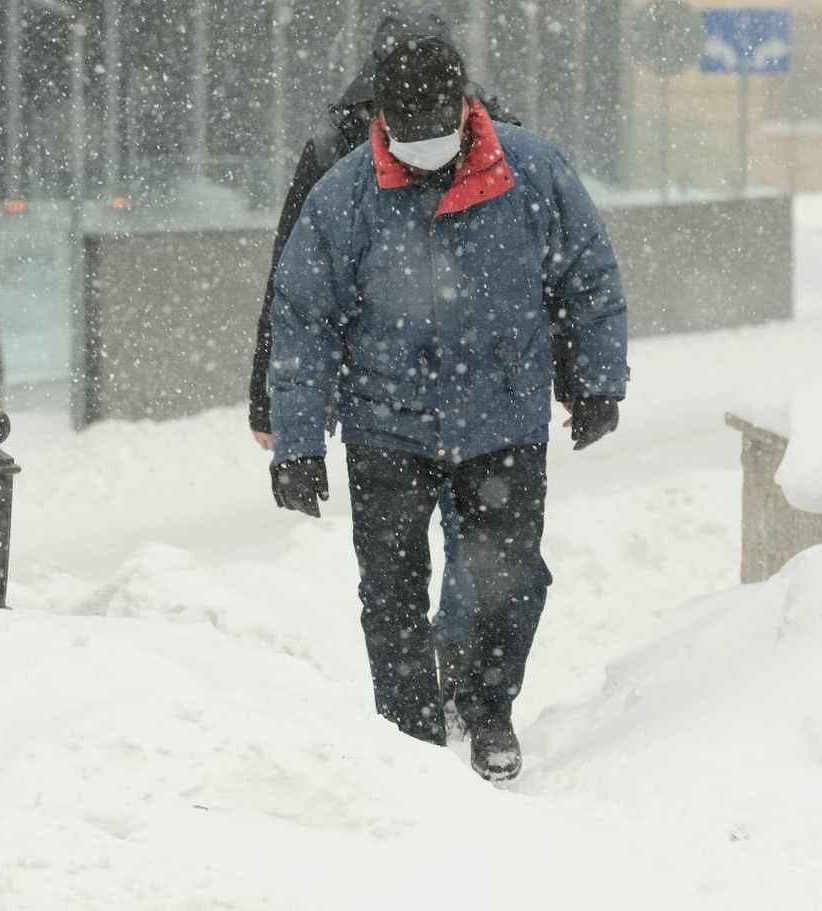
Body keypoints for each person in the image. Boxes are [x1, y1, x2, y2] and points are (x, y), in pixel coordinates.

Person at [267, 36, 628, 781]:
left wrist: (595, 381)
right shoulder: (345, 195)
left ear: (463, 107)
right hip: (385, 427)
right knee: (391, 591)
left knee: (512, 577)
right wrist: (296, 443)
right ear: (383, 116)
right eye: (405, 128)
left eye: (433, 123)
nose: (420, 144)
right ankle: (409, 733)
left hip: (502, 419)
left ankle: (485, 704)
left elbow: (588, 275)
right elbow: (302, 319)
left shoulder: (531, 171)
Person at [247, 7, 520, 728]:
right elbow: (295, 287)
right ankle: (414, 716)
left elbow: (539, 259)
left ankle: (462, 674)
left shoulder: (501, 136)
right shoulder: (337, 146)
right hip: (384, 398)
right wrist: (272, 406)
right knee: (397, 574)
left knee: (478, 562)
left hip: (482, 398)